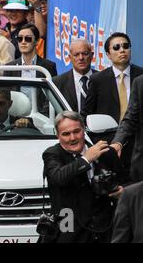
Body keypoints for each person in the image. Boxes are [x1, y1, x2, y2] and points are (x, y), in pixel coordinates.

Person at [42, 111, 125, 243]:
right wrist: (87, 159)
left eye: (77, 131)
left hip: (102, 228)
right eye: (66, 134)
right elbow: (58, 177)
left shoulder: (105, 152)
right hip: (68, 228)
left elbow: (127, 181)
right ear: (58, 135)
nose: (72, 137)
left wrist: (122, 191)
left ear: (84, 130)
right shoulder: (52, 154)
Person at [83, 33, 143, 179]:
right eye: (116, 47)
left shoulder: (140, 77)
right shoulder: (98, 79)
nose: (122, 50)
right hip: (111, 144)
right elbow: (87, 113)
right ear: (108, 55)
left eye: (125, 46)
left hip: (137, 143)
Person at [53, 39, 97, 113]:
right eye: (76, 55)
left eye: (85, 53)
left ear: (92, 55)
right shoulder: (58, 82)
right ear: (70, 58)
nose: (81, 58)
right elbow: (48, 113)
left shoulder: (103, 80)